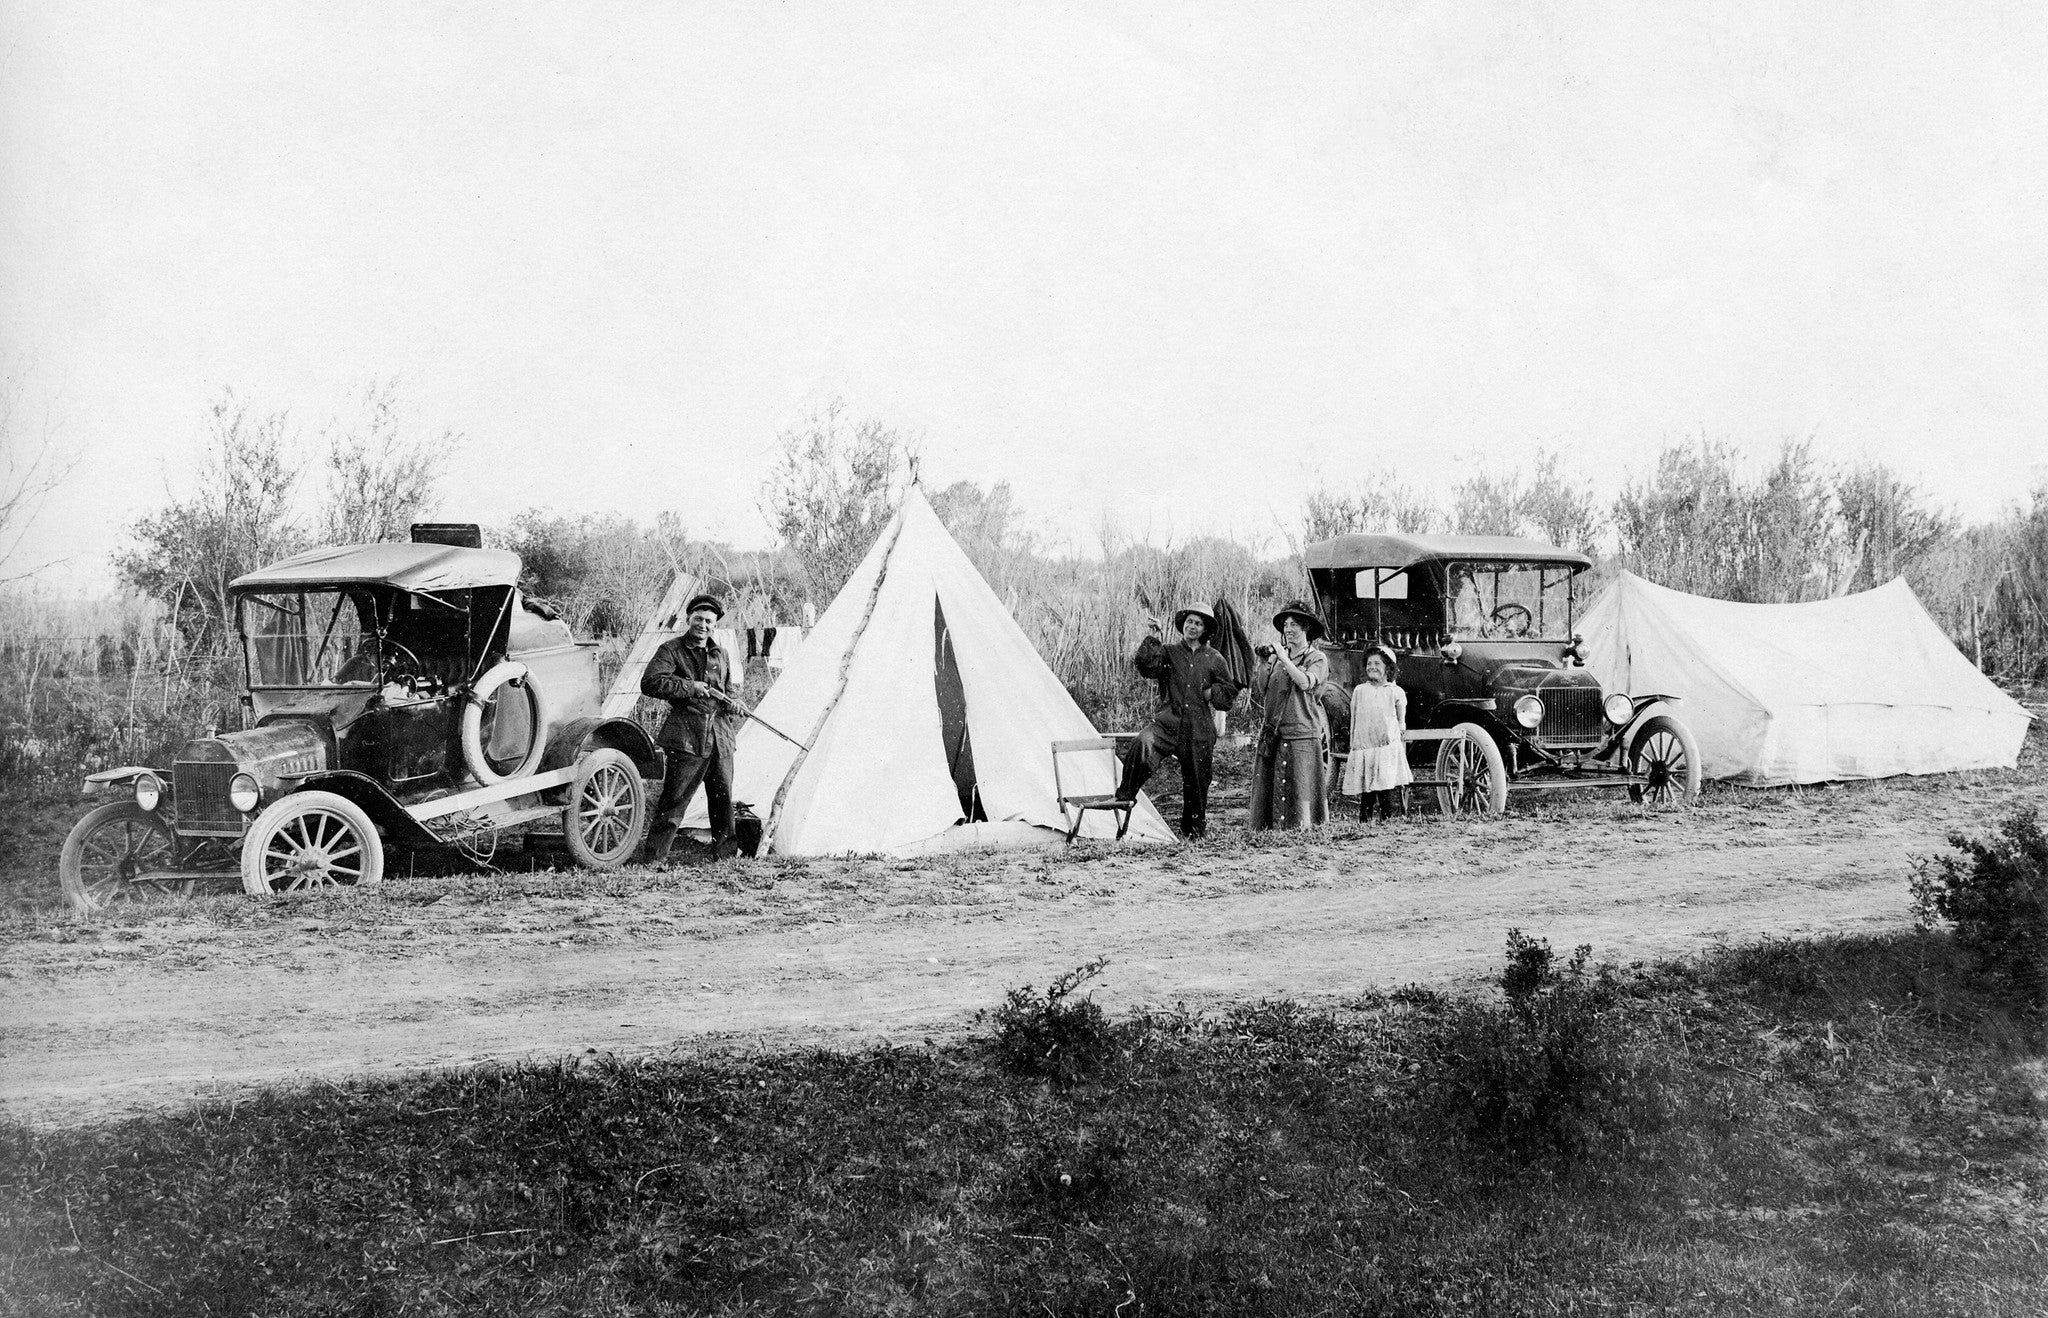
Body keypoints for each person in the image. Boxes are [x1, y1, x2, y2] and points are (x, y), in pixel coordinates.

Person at [1116, 603, 1240, 839]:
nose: (1192, 626)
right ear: (1183, 624)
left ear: (1205, 629)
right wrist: (1154, 637)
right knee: (1143, 742)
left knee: (1197, 781)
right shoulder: (1169, 652)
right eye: (1190, 621)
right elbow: (1147, 666)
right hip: (1168, 724)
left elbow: (1228, 695)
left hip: (1198, 730)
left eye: (1198, 623)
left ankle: (1192, 833)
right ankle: (1125, 796)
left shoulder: (1215, 659)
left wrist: (1211, 692)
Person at [641, 593, 742, 864]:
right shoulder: (671, 650)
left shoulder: (721, 653)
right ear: (689, 619)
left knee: (723, 799)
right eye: (698, 619)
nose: (703, 625)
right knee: (674, 801)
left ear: (715, 625)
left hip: (720, 737)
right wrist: (691, 687)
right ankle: (655, 857)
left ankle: (726, 856)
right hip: (686, 736)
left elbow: (727, 688)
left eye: (709, 621)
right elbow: (651, 683)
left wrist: (734, 702)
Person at [1247, 600, 1331, 830]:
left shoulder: (1317, 658)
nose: (1288, 629)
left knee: (1300, 789)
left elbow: (1305, 683)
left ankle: (1302, 831)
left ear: (1307, 629)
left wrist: (1283, 658)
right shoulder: (1276, 660)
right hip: (1274, 733)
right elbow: (1263, 689)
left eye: (1294, 624)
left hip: (1302, 734)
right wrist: (1264, 662)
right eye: (1285, 624)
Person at [1342, 646, 1411, 822]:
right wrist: (1355, 744)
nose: (1372, 667)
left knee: (1385, 786)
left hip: (1385, 747)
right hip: (1365, 746)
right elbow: (1355, 718)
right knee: (1367, 789)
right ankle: (1364, 821)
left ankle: (1385, 820)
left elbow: (1401, 720)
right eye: (1369, 663)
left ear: (1388, 668)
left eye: (1377, 663)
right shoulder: (1360, 691)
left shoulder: (1395, 691)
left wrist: (1398, 733)